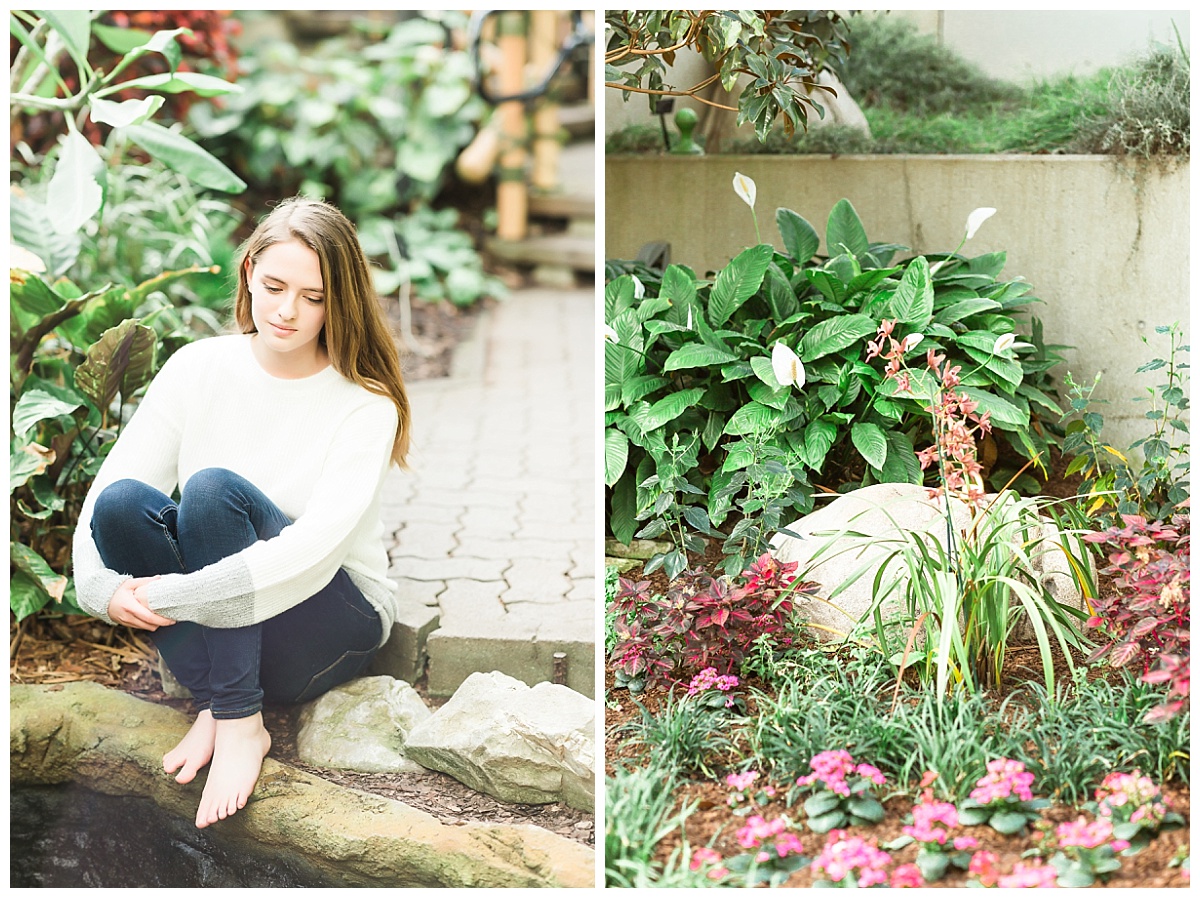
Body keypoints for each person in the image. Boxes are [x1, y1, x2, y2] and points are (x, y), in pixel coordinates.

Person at [71, 197, 411, 829]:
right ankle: (228, 708)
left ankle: (231, 716)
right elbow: (109, 488)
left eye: (314, 297)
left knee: (210, 492)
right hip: (233, 617)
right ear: (250, 269)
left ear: (341, 302)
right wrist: (100, 588)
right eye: (275, 286)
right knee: (123, 507)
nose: (287, 311)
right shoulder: (198, 367)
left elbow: (313, 550)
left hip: (328, 618)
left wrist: (177, 593)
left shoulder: (365, 403)